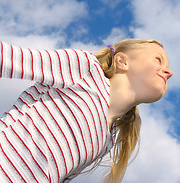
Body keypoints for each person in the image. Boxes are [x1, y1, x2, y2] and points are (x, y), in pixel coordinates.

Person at [0, 38, 173, 183]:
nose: (169, 72)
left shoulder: (107, 140)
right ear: (122, 61)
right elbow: (7, 58)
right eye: (158, 59)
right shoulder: (86, 70)